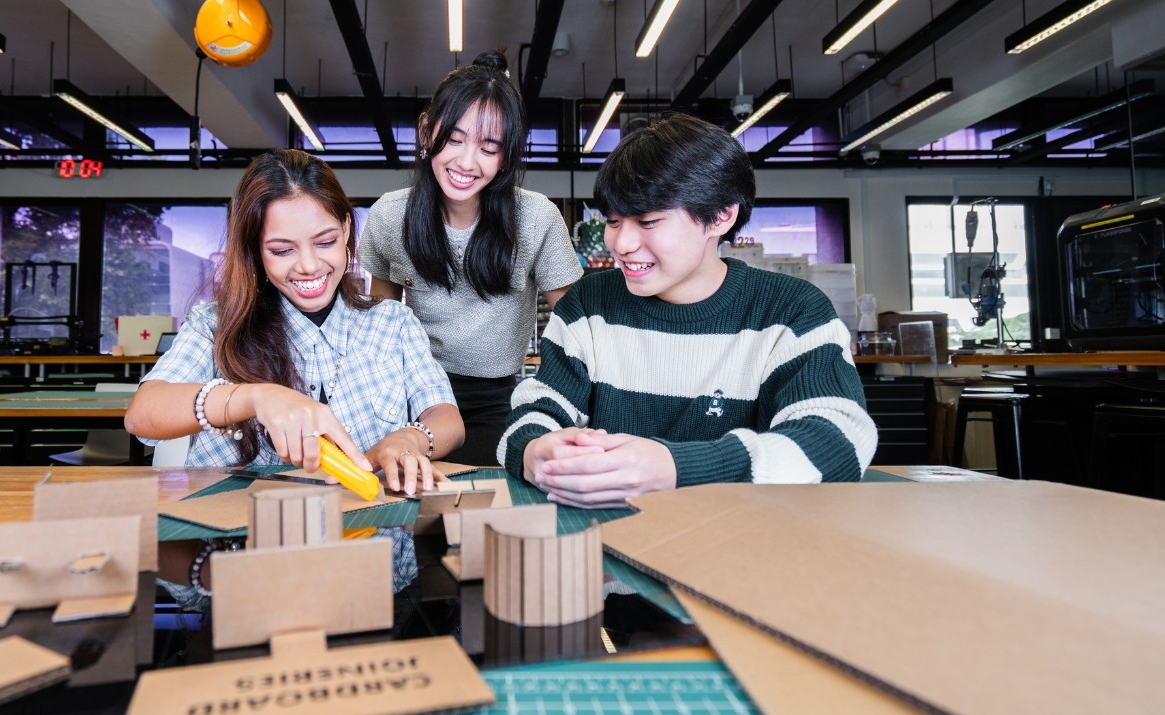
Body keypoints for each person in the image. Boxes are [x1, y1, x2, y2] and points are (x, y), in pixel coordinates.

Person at [499, 114, 878, 508]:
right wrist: (534, 452)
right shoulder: (589, 305)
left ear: (721, 216)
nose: (623, 243)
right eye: (613, 220)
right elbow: (536, 412)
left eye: (648, 221)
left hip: (746, 544)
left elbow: (840, 439)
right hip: (611, 538)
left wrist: (675, 469)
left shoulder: (791, 311)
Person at [126, 149, 463, 498]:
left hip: (374, 536)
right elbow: (142, 416)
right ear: (255, 249)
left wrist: (409, 438)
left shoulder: (392, 323)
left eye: (326, 242)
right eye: (282, 250)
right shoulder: (215, 325)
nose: (308, 265)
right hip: (242, 542)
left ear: (347, 229)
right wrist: (254, 397)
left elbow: (446, 417)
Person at [357, 49, 584, 466]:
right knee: (413, 517)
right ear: (427, 132)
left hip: (499, 401)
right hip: (414, 397)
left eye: (487, 147)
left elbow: (577, 326)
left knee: (485, 519)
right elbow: (381, 325)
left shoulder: (535, 218)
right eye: (455, 138)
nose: (465, 161)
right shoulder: (391, 215)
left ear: (507, 155)